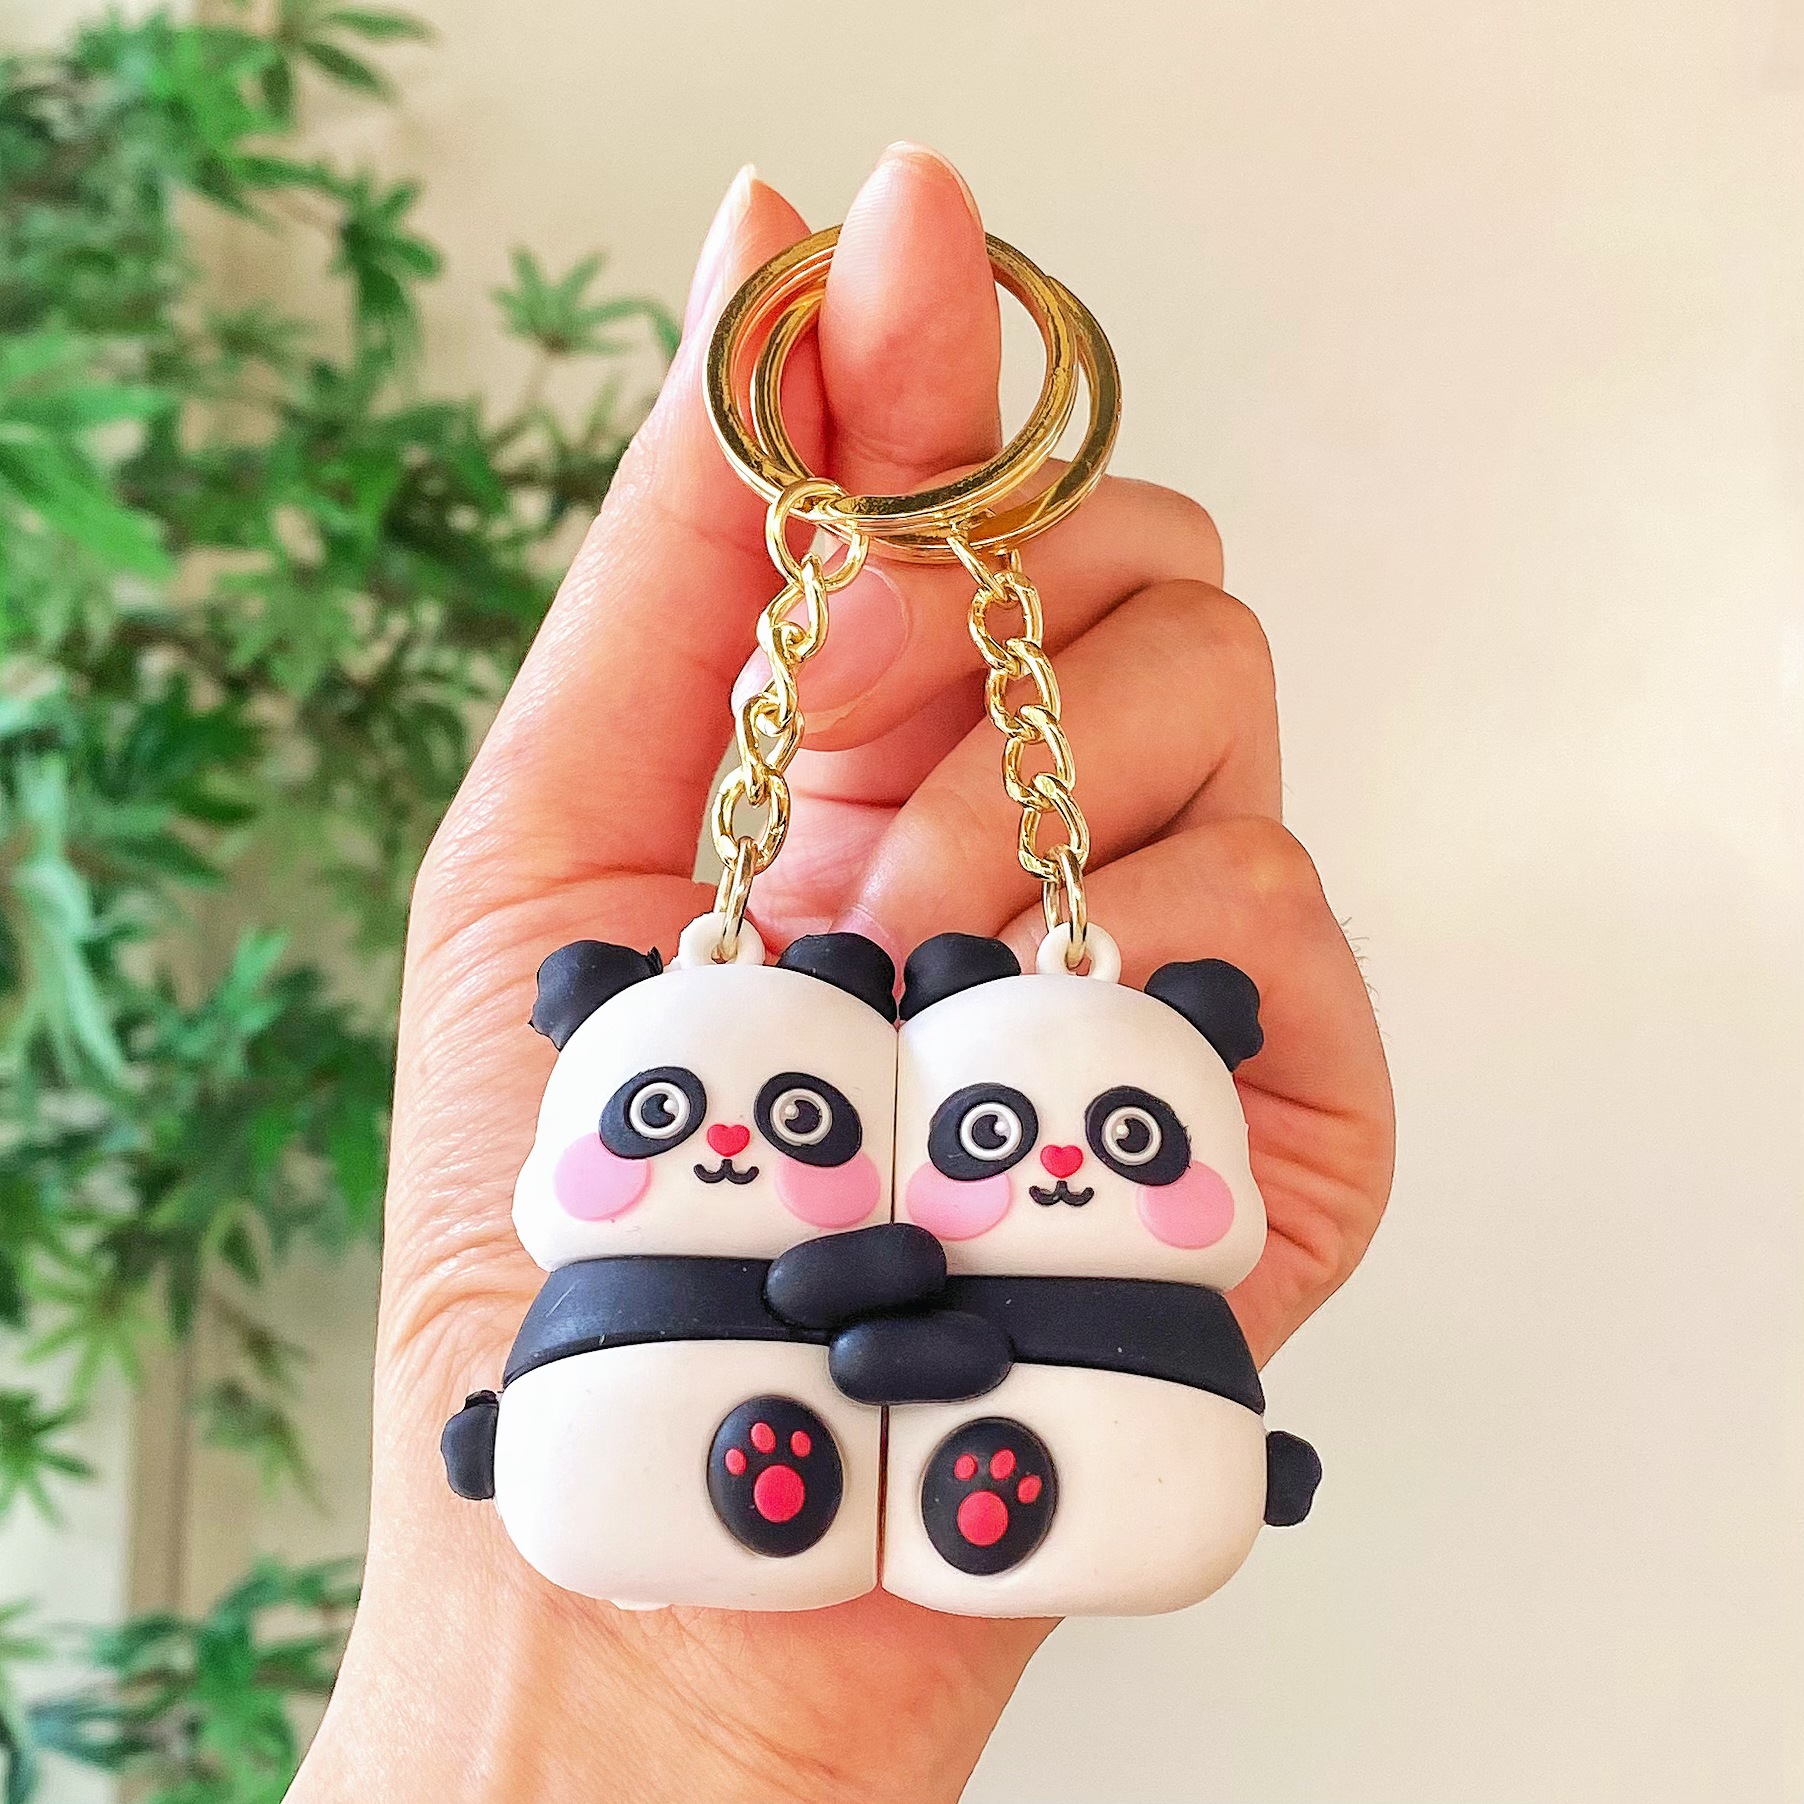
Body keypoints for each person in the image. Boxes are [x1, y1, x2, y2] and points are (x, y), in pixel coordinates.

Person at [288, 144, 1394, 1804]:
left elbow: (900, 1298)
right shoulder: (669, 1173)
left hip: (1015, 1408)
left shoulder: (951, 1171)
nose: (731, 1144)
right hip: (662, 1404)